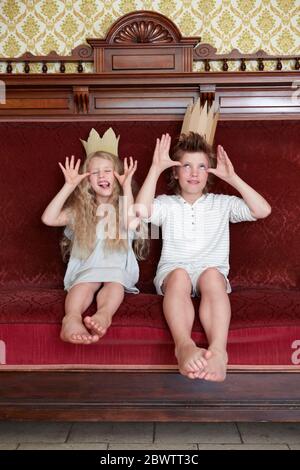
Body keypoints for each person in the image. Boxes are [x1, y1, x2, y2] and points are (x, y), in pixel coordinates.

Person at [136, 132, 271, 381]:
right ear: (175, 172)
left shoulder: (222, 203)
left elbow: (262, 210)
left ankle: (219, 352)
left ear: (209, 172)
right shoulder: (167, 204)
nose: (194, 173)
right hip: (175, 271)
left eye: (201, 167)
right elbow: (140, 212)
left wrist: (233, 178)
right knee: (179, 277)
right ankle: (183, 346)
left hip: (211, 271)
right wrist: (155, 169)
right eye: (186, 166)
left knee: (211, 276)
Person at [42, 150, 146, 345]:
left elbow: (131, 221)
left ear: (118, 175)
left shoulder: (125, 207)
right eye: (95, 172)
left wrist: (127, 188)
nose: (102, 176)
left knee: (114, 284)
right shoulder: (80, 211)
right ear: (87, 181)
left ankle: (104, 315)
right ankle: (71, 318)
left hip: (117, 269)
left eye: (108, 170)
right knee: (85, 285)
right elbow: (48, 218)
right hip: (86, 267)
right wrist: (69, 185)